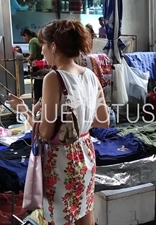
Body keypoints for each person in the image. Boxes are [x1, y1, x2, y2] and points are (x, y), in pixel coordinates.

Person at [7, 19, 109, 225]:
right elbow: (103, 120)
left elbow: (45, 132)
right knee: (84, 209)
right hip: (85, 153)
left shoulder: (53, 78)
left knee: (61, 216)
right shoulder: (90, 75)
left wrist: (25, 111)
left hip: (62, 158)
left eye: (43, 45)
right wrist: (79, 121)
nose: (42, 51)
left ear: (54, 46)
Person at [21, 28, 44, 103]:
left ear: (26, 35)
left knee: (37, 86)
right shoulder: (36, 39)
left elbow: (33, 56)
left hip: (37, 66)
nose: (23, 39)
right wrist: (28, 54)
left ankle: (37, 102)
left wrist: (24, 61)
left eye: (23, 37)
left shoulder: (32, 41)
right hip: (41, 65)